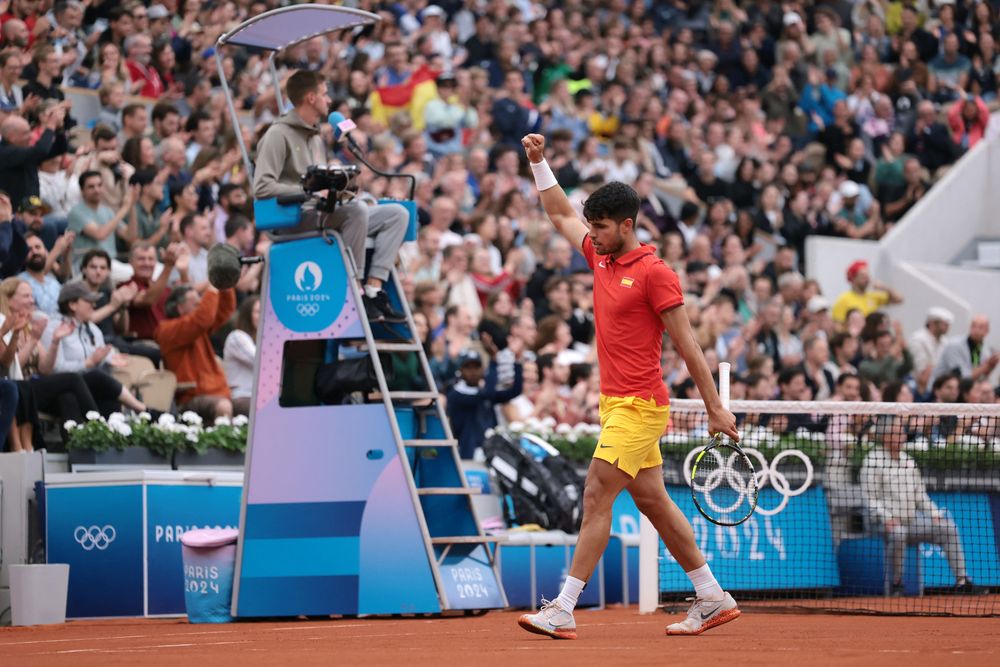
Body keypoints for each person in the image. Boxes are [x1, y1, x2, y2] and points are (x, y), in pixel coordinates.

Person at [517, 133, 740, 639]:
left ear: (627, 225)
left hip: (640, 408)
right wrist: (539, 162)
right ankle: (711, 596)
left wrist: (715, 408)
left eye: (599, 227)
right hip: (614, 405)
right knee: (654, 502)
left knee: (596, 493)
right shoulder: (600, 254)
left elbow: (689, 346)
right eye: (590, 226)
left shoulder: (656, 273)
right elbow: (557, 212)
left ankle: (564, 607)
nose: (590, 235)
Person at [252, 69, 407, 323]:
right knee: (356, 212)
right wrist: (308, 191)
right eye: (325, 94)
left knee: (396, 214)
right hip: (293, 218)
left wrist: (343, 185)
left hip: (322, 210)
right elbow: (262, 187)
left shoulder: (315, 137)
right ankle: (355, 289)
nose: (330, 100)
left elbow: (319, 183)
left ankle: (373, 289)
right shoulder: (277, 135)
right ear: (310, 98)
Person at [861, 415, 975, 595]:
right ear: (885, 436)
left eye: (901, 432)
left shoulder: (908, 461)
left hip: (911, 520)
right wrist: (887, 518)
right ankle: (897, 583)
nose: (900, 436)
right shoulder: (872, 461)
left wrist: (934, 513)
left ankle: (962, 581)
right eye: (895, 433)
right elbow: (870, 499)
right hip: (881, 522)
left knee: (948, 528)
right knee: (898, 533)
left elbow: (920, 496)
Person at [156, 284, 235, 421]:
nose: (202, 306)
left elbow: (224, 309)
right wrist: (212, 289)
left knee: (252, 404)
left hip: (219, 393)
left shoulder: (197, 327)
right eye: (196, 304)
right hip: (190, 398)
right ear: (180, 308)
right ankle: (222, 442)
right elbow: (203, 318)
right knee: (223, 407)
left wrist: (224, 282)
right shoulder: (167, 330)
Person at [445, 346, 522, 459]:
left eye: (476, 367)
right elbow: (486, 395)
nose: (473, 372)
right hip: (469, 452)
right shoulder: (455, 394)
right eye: (468, 367)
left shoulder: (483, 393)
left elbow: (515, 391)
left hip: (492, 450)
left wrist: (517, 363)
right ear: (461, 370)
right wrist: (493, 363)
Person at [830, 259, 902, 323]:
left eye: (868, 275)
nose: (867, 279)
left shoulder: (873, 295)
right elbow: (838, 325)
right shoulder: (843, 299)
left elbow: (899, 299)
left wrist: (885, 288)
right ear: (853, 278)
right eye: (863, 276)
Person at [934, 314, 999, 381]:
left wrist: (991, 366)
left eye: (981, 327)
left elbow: (980, 378)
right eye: (973, 326)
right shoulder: (954, 345)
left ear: (987, 331)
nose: (976, 330)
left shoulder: (985, 351)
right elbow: (962, 377)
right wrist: (987, 366)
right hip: (940, 389)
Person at [222, 294, 258, 416]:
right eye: (258, 312)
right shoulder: (237, 337)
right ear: (247, 315)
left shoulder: (263, 340)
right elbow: (258, 360)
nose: (263, 316)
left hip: (260, 397)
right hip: (241, 396)